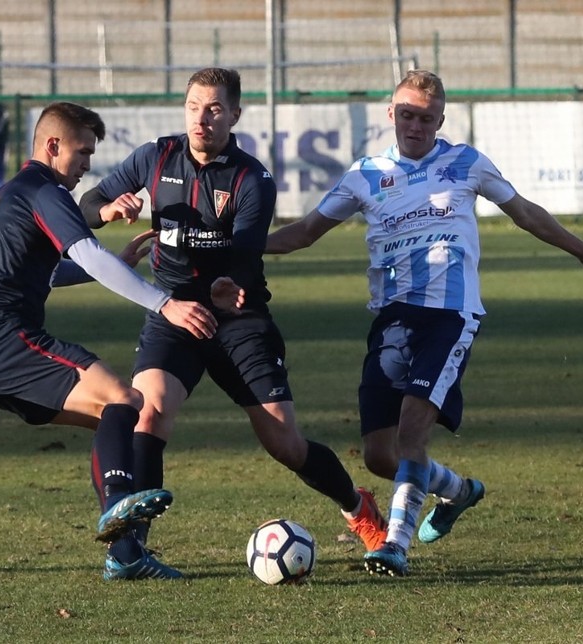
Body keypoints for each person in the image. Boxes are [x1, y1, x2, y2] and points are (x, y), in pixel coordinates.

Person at [265, 70, 583, 577]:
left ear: (441, 120)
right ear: (391, 113)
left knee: (413, 435)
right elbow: (302, 233)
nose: (416, 126)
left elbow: (524, 212)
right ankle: (457, 491)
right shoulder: (364, 175)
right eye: (408, 115)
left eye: (427, 118)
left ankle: (394, 545)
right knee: (378, 456)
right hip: (392, 321)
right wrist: (229, 246)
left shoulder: (465, 163)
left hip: (449, 316)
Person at [79, 67, 387, 578]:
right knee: (147, 412)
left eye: (215, 108)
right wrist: (110, 208)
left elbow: (246, 250)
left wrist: (226, 283)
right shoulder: (155, 156)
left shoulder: (251, 177)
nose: (203, 118)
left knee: (285, 444)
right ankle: (131, 549)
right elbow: (87, 204)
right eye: (195, 106)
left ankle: (358, 507)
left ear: (235, 115)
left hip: (238, 317)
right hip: (173, 312)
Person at [0, 101, 229, 581]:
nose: (86, 166)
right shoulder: (45, 191)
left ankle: (124, 558)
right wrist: (164, 303)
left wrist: (115, 263)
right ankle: (119, 510)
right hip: (7, 340)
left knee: (118, 420)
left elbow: (42, 274)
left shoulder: (13, 192)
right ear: (52, 145)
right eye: (82, 153)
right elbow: (88, 254)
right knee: (124, 399)